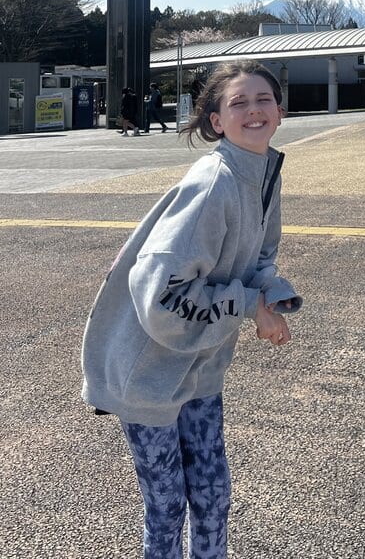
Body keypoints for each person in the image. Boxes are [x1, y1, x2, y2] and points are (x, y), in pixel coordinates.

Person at [81, 61, 302, 559]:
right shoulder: (213, 184)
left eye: (263, 99)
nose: (253, 110)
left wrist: (271, 294)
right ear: (216, 121)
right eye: (238, 103)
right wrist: (249, 305)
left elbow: (261, 258)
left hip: (200, 366)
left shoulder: (263, 174)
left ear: (280, 111)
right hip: (149, 372)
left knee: (212, 495)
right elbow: (159, 292)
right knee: (166, 507)